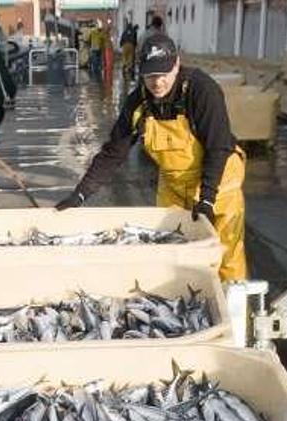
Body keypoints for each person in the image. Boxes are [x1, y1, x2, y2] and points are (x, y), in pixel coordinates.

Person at [55, 34, 248, 281]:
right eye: (150, 76)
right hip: (174, 183)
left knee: (225, 252)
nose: (157, 82)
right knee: (170, 248)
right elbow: (113, 152)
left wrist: (208, 198)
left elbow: (218, 147)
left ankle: (231, 309)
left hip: (219, 180)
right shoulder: (139, 103)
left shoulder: (202, 90)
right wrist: (80, 194)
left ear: (177, 65)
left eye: (163, 74)